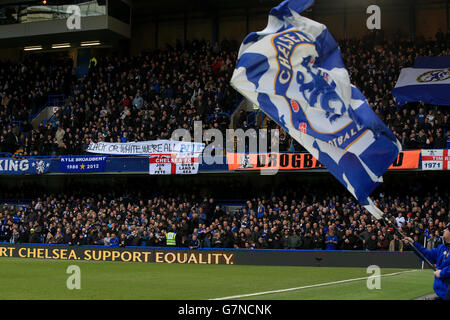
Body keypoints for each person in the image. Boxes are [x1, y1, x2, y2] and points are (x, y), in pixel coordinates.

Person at [403, 223, 450, 300]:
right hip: (441, 294)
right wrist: (413, 244)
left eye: (447, 229)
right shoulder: (441, 247)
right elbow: (427, 255)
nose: (444, 230)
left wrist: (442, 273)